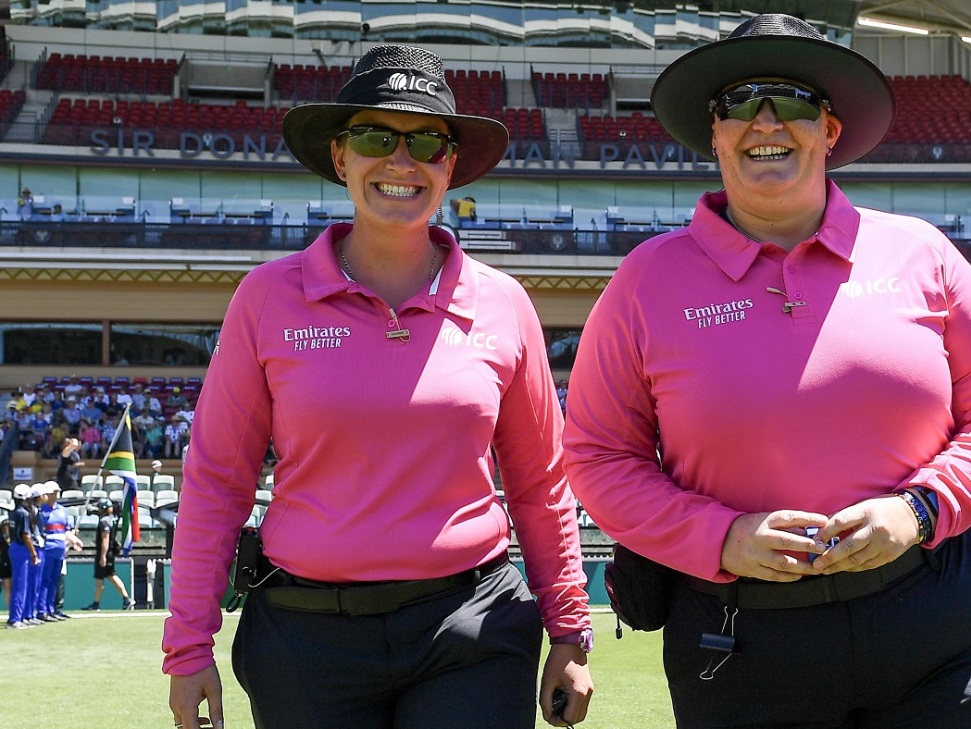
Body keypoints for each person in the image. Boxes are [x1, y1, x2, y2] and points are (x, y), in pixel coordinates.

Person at [563, 15, 971, 728]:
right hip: (740, 639)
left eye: (788, 100)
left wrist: (919, 509)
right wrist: (719, 535)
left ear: (828, 129)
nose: (766, 121)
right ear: (714, 132)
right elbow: (599, 457)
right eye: (741, 103)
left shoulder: (923, 254)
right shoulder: (644, 281)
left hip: (937, 619)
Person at [163, 45, 593, 729]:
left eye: (427, 141)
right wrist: (188, 646)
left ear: (449, 163)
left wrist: (570, 630)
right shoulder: (267, 299)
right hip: (306, 638)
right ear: (341, 158)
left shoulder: (504, 303)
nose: (401, 160)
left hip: (472, 628)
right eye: (374, 137)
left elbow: (541, 481)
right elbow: (217, 477)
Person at [37, 481, 81, 621]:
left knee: (55, 581)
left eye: (56, 493)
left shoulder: (62, 511)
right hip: (46, 550)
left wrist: (74, 540)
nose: (54, 496)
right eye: (52, 493)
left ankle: (51, 610)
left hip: (59, 551)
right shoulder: (40, 511)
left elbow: (65, 531)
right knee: (45, 581)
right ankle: (42, 610)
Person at [83, 498, 132, 612]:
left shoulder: (104, 522)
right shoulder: (112, 520)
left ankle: (98, 603)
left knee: (103, 578)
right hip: (109, 552)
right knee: (108, 576)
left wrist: (103, 556)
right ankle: (125, 599)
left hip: (104, 552)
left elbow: (105, 539)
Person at [6, 484, 41, 629]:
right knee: (21, 585)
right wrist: (33, 553)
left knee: (20, 584)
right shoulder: (24, 513)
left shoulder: (13, 512)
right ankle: (15, 619)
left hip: (15, 547)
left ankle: (17, 617)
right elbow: (26, 536)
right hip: (21, 549)